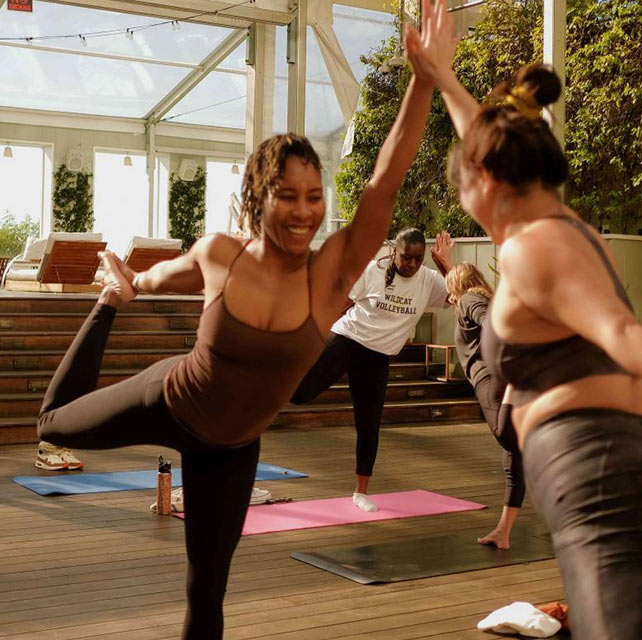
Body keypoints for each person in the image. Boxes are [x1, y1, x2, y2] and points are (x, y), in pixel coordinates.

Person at [35, 48, 436, 639]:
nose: (304, 211)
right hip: (171, 398)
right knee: (52, 427)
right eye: (288, 195)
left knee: (206, 587)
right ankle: (100, 311)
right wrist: (124, 290)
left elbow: (387, 176)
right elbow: (161, 276)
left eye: (314, 195)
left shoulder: (330, 276)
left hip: (231, 446)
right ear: (258, 196)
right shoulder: (221, 254)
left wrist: (424, 78)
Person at [408, 2, 642, 637]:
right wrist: (445, 82)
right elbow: (486, 142)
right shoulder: (564, 231)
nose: (466, 201)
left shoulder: (532, 248)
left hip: (600, 475)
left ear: (487, 180)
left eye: (464, 185)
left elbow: (626, 338)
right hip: (634, 465)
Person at [289, 227, 452, 512]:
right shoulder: (372, 271)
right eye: (406, 258)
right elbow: (341, 301)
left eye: (418, 258)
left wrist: (446, 265)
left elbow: (460, 296)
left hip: (377, 357)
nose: (412, 264)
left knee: (369, 425)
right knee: (299, 394)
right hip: (347, 340)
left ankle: (360, 493)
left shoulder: (429, 279)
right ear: (393, 253)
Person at [445, 257, 524, 549]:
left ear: (458, 287)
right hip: (502, 377)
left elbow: (491, 325)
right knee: (516, 456)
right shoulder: (485, 298)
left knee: (506, 437)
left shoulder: (469, 300)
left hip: (494, 380)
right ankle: (503, 532)